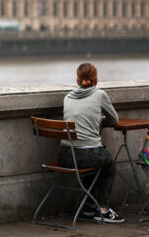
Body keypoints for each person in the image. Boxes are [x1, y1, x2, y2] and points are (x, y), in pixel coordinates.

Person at [61, 62, 123, 223]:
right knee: (108, 163)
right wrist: (99, 119)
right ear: (95, 79)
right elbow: (114, 119)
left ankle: (89, 205)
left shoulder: (67, 97)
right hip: (86, 154)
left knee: (93, 166)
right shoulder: (99, 94)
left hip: (66, 155)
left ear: (77, 79)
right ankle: (102, 209)